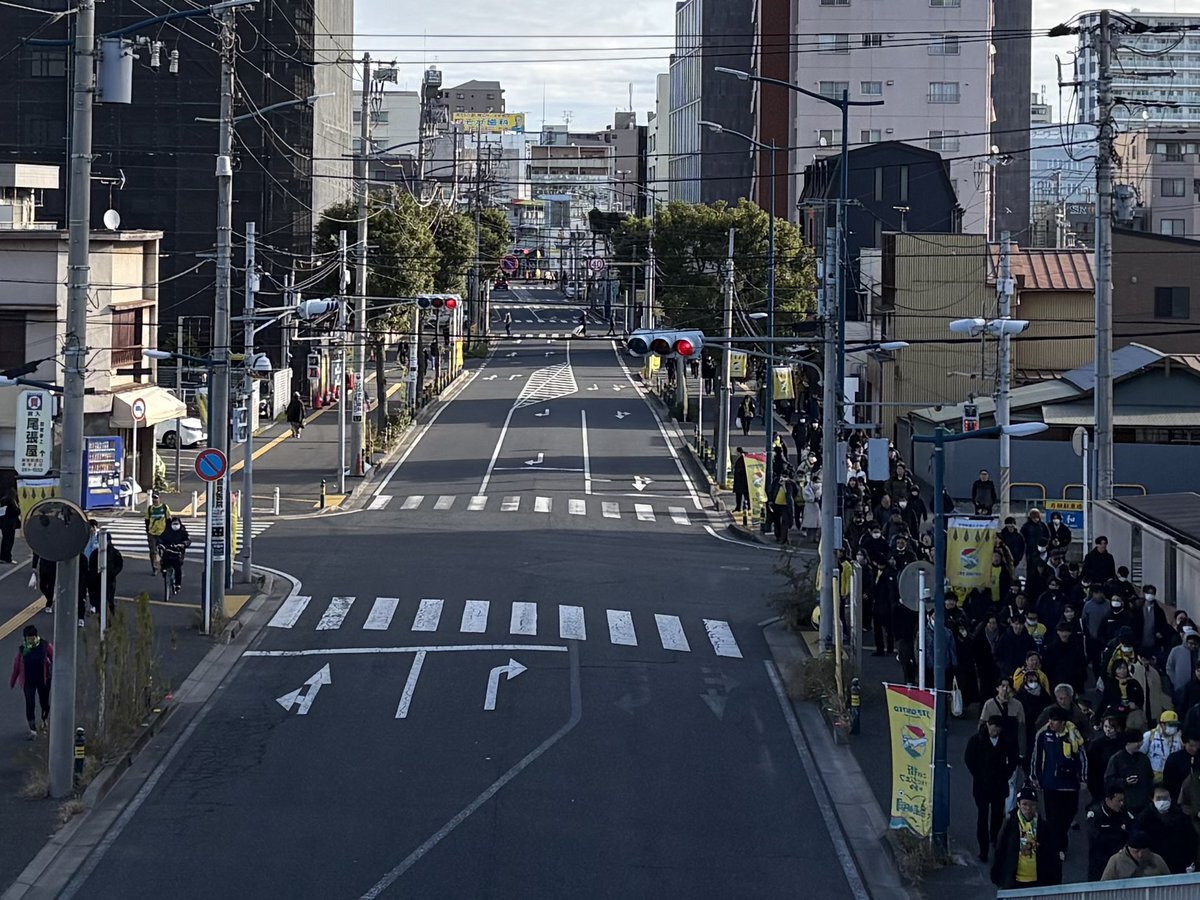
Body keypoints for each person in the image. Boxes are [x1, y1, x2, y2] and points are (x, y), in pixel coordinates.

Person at [1032, 706, 1088, 856]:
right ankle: (1058, 847)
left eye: (1055, 720)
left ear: (1063, 722)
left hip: (1070, 784)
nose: (1051, 723)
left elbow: (1082, 757)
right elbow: (1036, 756)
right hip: (1050, 784)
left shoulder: (1074, 735)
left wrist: (1083, 778)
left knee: (1068, 815)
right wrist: (1035, 776)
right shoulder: (1043, 734)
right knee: (1052, 818)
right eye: (1050, 720)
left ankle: (1059, 841)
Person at [966, 715, 1020, 862]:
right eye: (993, 727)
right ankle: (983, 849)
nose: (995, 730)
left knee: (997, 814)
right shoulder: (976, 740)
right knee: (982, 817)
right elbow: (969, 759)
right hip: (982, 786)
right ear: (988, 725)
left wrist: (1007, 773)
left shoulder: (1005, 741)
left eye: (998, 728)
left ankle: (995, 838)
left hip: (999, 784)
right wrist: (978, 774)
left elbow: (1014, 758)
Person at [991, 786, 1062, 889]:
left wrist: (1055, 879)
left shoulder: (1044, 827)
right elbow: (1000, 849)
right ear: (1018, 804)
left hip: (1038, 881)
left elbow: (1052, 854)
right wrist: (997, 876)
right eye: (1024, 804)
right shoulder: (1010, 824)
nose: (1028, 809)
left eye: (1032, 805)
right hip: (1014, 881)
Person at [1135, 785, 1194, 873]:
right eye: (1158, 798)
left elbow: (1191, 839)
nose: (1162, 801)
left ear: (1170, 798)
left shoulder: (1181, 816)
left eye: (1165, 798)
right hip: (1154, 864)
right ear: (1152, 799)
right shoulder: (1144, 818)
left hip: (1179, 863)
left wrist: (1191, 860)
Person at [8, 624, 52, 739]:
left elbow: (54, 657)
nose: (30, 640)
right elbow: (17, 666)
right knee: (30, 704)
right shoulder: (23, 650)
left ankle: (44, 719)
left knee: (44, 702)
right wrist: (13, 681)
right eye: (28, 638)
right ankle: (32, 729)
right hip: (28, 681)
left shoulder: (44, 645)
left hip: (43, 679)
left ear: (36, 636)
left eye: (32, 637)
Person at [1085, 784, 1136, 881]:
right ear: (1108, 800)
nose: (1122, 804)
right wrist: (1119, 830)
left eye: (1123, 801)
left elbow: (1134, 827)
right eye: (1119, 801)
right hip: (1100, 861)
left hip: (1121, 860)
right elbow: (1095, 837)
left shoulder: (1124, 812)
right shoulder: (1095, 815)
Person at [1105, 729, 1155, 815]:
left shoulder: (1144, 758)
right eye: (1137, 742)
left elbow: (1150, 777)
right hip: (1126, 804)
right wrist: (1125, 781)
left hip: (1144, 802)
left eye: (1141, 741)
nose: (1140, 744)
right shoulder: (1116, 759)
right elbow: (1108, 780)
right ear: (1128, 743)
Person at [85, 522, 124, 620]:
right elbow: (90, 566)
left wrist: (112, 573)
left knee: (109, 598)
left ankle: (111, 617)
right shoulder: (95, 553)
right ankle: (101, 616)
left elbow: (119, 564)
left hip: (110, 579)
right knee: (98, 598)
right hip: (96, 580)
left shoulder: (114, 553)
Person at [1100, 830, 1171, 881]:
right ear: (1129, 849)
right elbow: (1104, 886)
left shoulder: (1157, 860)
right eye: (1136, 852)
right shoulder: (1116, 861)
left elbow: (1169, 882)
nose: (1140, 855)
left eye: (1144, 852)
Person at [1087, 715, 1127, 804]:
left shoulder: (1124, 742)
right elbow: (1092, 769)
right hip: (1101, 782)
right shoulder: (1096, 744)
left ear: (1118, 728)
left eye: (1112, 727)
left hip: (1120, 782)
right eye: (1105, 726)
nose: (1108, 729)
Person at [1141, 710, 1183, 783]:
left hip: (1171, 777)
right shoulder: (1149, 735)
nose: (1173, 727)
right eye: (1170, 725)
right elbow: (1140, 754)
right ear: (1161, 724)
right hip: (1151, 777)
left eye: (1175, 725)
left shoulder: (1180, 738)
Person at [156, 516, 192, 594]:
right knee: (163, 561)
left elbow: (188, 540)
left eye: (177, 524)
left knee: (177, 567)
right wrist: (160, 544)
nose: (175, 525)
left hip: (178, 552)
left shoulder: (182, 531)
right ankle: (164, 571)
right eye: (174, 523)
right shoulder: (167, 530)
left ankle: (178, 585)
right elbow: (160, 538)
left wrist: (184, 544)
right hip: (168, 550)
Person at [1167, 627, 1200, 710]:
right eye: (1191, 643)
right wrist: (1175, 681)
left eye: (1195, 644)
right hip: (1180, 688)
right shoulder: (1176, 651)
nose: (1193, 646)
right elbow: (1169, 667)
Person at [1163, 731, 1200, 802]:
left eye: (1197, 746)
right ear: (1184, 743)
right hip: (1178, 798)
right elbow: (1167, 782)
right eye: (1191, 746)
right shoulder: (1174, 759)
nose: (1195, 749)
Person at [766, 469, 797, 545]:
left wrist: (785, 486)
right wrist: (770, 500)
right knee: (776, 521)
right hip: (776, 504)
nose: (783, 477)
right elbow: (771, 490)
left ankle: (783, 538)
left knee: (785, 522)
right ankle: (778, 535)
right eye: (783, 475)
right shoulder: (776, 481)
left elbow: (795, 492)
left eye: (785, 476)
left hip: (786, 506)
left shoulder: (790, 483)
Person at [144, 491, 171, 575]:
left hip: (163, 532)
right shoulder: (149, 509)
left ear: (159, 498)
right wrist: (148, 531)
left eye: (156, 498)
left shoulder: (164, 507)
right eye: (153, 498)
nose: (154, 500)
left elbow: (169, 519)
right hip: (152, 533)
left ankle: (164, 566)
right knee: (153, 551)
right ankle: (155, 568)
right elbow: (147, 521)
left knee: (165, 550)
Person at [0, 485, 19, 563]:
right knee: (9, 541)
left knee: (5, 540)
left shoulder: (3, 500)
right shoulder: (10, 501)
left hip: (4, 523)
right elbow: (14, 512)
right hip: (10, 524)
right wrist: (18, 510)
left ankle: (3, 557)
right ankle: (7, 557)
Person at [731, 448, 751, 515]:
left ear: (738, 452)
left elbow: (740, 470)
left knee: (742, 495)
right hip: (744, 481)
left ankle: (741, 508)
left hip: (741, 481)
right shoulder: (745, 458)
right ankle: (745, 507)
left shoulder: (742, 459)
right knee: (745, 495)